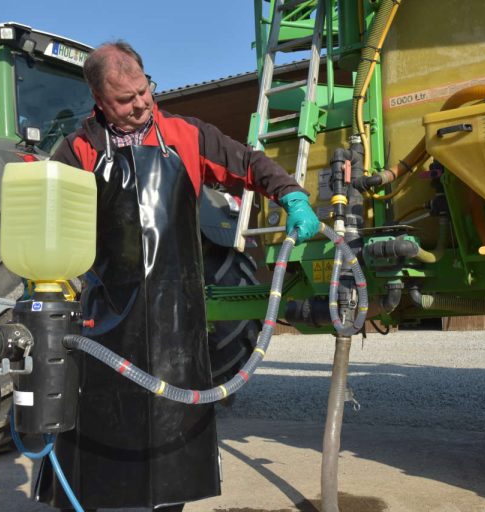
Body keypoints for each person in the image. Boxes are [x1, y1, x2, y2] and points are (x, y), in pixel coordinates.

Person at [35, 41, 319, 512]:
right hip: (104, 330)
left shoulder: (185, 135)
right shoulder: (76, 151)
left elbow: (248, 164)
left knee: (172, 462)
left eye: (144, 90)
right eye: (125, 101)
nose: (141, 104)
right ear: (100, 102)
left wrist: (289, 194)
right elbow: (48, 224)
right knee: (96, 447)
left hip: (177, 331)